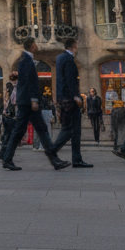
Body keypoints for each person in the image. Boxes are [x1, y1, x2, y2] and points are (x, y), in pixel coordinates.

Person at [0, 39, 68, 171]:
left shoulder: (26, 60)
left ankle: (54, 160)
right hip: (27, 103)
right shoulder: (26, 60)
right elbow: (27, 82)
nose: (37, 46)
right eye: (35, 44)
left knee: (39, 129)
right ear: (31, 46)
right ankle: (7, 158)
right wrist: (34, 99)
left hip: (27, 102)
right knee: (22, 130)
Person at [49, 38, 91, 168]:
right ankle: (52, 150)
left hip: (63, 99)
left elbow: (61, 79)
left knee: (73, 130)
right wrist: (75, 96)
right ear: (74, 46)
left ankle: (77, 159)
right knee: (71, 129)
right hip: (70, 100)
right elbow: (70, 79)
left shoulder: (60, 58)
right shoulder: (69, 59)